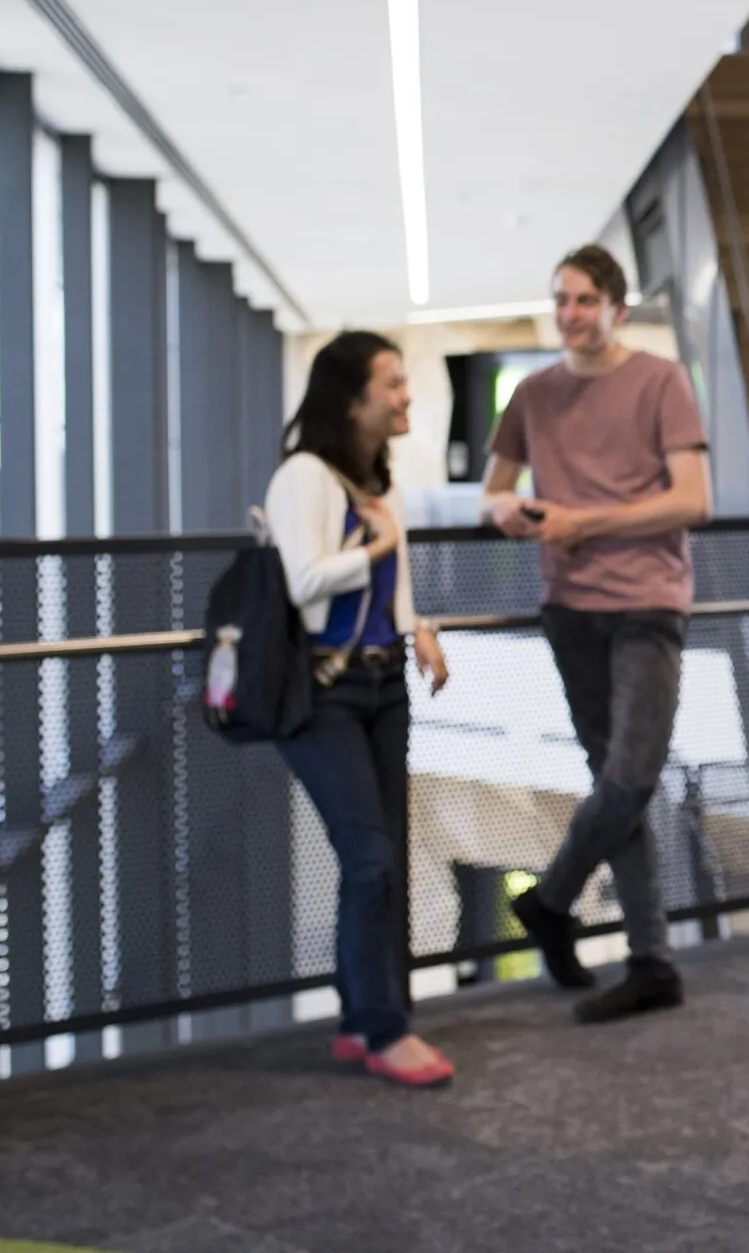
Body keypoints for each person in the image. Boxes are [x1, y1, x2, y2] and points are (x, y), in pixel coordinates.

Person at [483, 243, 713, 1025]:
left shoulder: (660, 380)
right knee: (615, 780)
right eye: (561, 300)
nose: (570, 314)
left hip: (648, 601)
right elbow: (493, 490)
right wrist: (510, 513)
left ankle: (550, 900)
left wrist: (589, 521)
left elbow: (692, 499)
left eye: (584, 300)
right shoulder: (533, 395)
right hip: (569, 605)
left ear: (615, 306)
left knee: (631, 776)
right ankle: (653, 963)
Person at [265, 329, 456, 1088]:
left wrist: (420, 631)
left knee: (381, 861)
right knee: (370, 861)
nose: (407, 396)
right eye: (394, 384)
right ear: (353, 401)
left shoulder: (380, 482)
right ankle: (385, 1030)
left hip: (384, 687)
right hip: (323, 693)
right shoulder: (303, 477)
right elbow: (305, 580)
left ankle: (360, 1018)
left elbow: (396, 585)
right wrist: (375, 547)